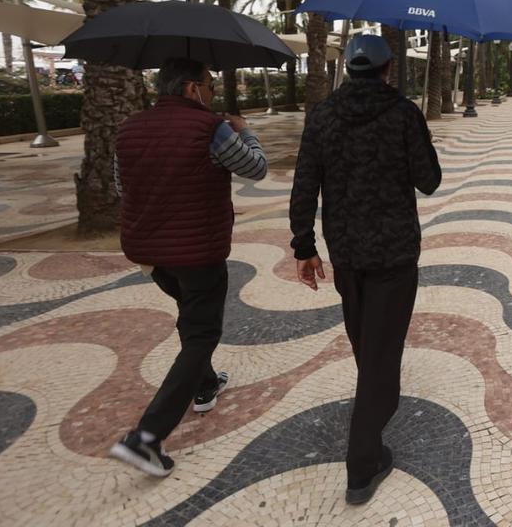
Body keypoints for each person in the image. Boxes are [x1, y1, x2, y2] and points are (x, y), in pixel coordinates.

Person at [289, 34, 441, 506]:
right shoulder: (403, 114)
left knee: (366, 342)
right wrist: (421, 141)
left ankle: (373, 400)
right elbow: (429, 180)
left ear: (349, 69)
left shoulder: (323, 115)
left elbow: (304, 183)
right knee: (381, 351)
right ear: (387, 69)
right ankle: (362, 461)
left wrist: (303, 246)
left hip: (347, 253)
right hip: (394, 254)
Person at [108, 58, 268, 477]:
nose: (212, 93)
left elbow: (122, 186)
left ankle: (205, 383)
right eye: (209, 86)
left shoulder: (128, 128)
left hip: (149, 252)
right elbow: (255, 168)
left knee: (190, 314)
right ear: (192, 88)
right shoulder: (209, 128)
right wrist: (244, 131)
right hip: (198, 251)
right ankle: (147, 437)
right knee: (202, 332)